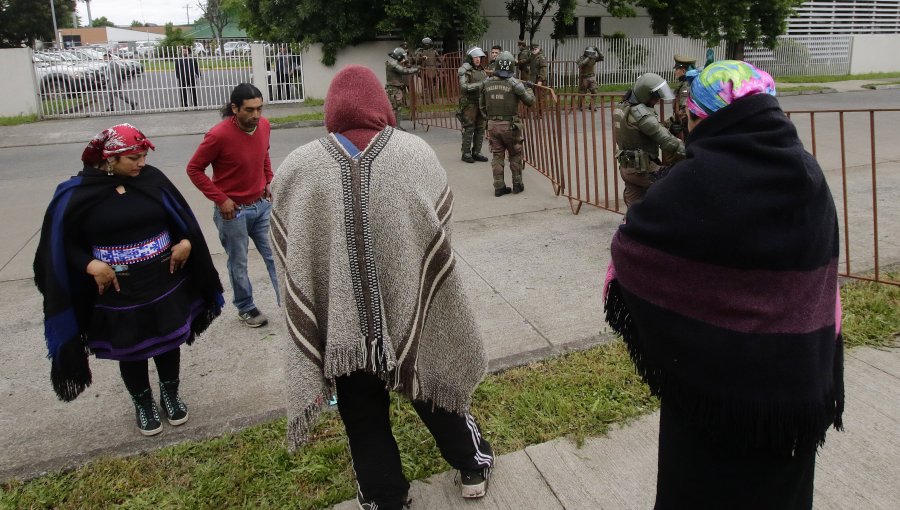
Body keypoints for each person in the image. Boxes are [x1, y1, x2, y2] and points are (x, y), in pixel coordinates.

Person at [603, 60, 844, 509]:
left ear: (700, 117)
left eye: (690, 115)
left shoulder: (690, 181)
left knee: (702, 488)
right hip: (794, 392)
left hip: (709, 393)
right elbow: (819, 281)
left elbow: (631, 253)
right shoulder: (808, 174)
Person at [270, 64, 494, 510]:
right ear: (382, 105)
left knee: (360, 409)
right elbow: (440, 230)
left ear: (331, 111)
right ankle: (472, 465)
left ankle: (384, 497)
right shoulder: (415, 153)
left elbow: (290, 251)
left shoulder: (298, 165)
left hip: (343, 328)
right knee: (431, 382)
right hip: (412, 300)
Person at [34, 123, 224, 436]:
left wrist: (185, 242)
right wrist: (91, 264)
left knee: (167, 341)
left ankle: (170, 394)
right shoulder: (77, 193)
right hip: (117, 290)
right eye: (133, 158)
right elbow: (60, 244)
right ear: (110, 159)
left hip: (163, 281)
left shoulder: (152, 180)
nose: (141, 163)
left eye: (143, 156)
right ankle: (143, 402)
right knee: (132, 348)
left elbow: (178, 217)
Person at [186, 83, 280, 328]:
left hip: (261, 206)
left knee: (275, 256)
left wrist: (268, 180)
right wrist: (221, 199)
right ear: (235, 108)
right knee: (238, 262)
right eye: (249, 110)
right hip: (233, 212)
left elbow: (264, 154)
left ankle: (288, 305)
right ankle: (246, 307)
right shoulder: (218, 135)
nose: (256, 115)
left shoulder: (265, 126)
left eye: (260, 109)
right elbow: (194, 169)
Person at [613, 73, 685, 207]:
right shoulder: (641, 114)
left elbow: (644, 129)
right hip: (644, 170)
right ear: (646, 94)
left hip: (627, 167)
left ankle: (630, 226)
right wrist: (692, 151)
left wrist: (668, 124)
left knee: (633, 208)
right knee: (674, 187)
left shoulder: (623, 106)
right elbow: (668, 142)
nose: (656, 101)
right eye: (655, 97)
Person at [480, 51, 535, 196]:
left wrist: (490, 119)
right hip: (510, 125)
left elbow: (482, 106)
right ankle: (517, 184)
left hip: (492, 125)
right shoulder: (515, 84)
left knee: (497, 156)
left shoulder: (486, 83)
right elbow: (530, 102)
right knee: (514, 154)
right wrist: (530, 88)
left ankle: (499, 187)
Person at [661, 54, 696, 165]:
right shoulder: (682, 84)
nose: (675, 71)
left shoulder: (686, 86)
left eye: (677, 69)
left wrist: (675, 124)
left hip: (687, 130)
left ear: (684, 71)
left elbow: (684, 112)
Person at [457, 47, 489, 164]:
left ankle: (477, 152)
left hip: (480, 102)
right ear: (470, 58)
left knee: (480, 128)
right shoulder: (464, 70)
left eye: (479, 57)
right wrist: (481, 84)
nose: (478, 59)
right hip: (469, 103)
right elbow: (464, 87)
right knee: (469, 127)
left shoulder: (482, 70)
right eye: (475, 57)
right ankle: (466, 153)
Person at [385, 47, 420, 131]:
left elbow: (404, 67)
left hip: (396, 88)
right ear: (399, 56)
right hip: (394, 89)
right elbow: (404, 71)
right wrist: (416, 69)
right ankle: (395, 127)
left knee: (398, 108)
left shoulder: (393, 62)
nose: (404, 58)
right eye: (402, 56)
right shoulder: (393, 64)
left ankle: (396, 126)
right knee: (395, 108)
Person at [413, 37, 442, 103]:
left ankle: (431, 100)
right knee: (427, 86)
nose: (427, 46)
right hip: (427, 70)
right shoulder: (421, 52)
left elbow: (440, 60)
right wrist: (421, 58)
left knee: (431, 86)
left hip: (430, 70)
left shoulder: (433, 51)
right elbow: (417, 61)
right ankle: (428, 101)